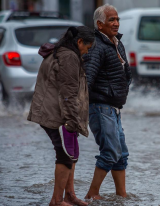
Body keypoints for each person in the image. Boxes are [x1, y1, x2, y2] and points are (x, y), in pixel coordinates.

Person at [27, 26, 95, 206]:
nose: (87, 52)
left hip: (57, 113)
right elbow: (68, 94)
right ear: (79, 42)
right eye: (87, 47)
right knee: (65, 156)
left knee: (71, 154)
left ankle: (69, 195)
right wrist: (72, 121)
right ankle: (57, 201)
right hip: (59, 116)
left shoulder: (62, 52)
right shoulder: (69, 57)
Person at [83, 4, 132, 199]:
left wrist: (124, 88)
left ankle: (122, 195)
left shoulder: (117, 43)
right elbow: (88, 77)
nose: (116, 23)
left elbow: (126, 72)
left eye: (117, 19)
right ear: (99, 25)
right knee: (111, 151)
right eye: (111, 20)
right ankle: (92, 194)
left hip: (114, 107)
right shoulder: (96, 46)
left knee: (121, 155)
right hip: (100, 107)